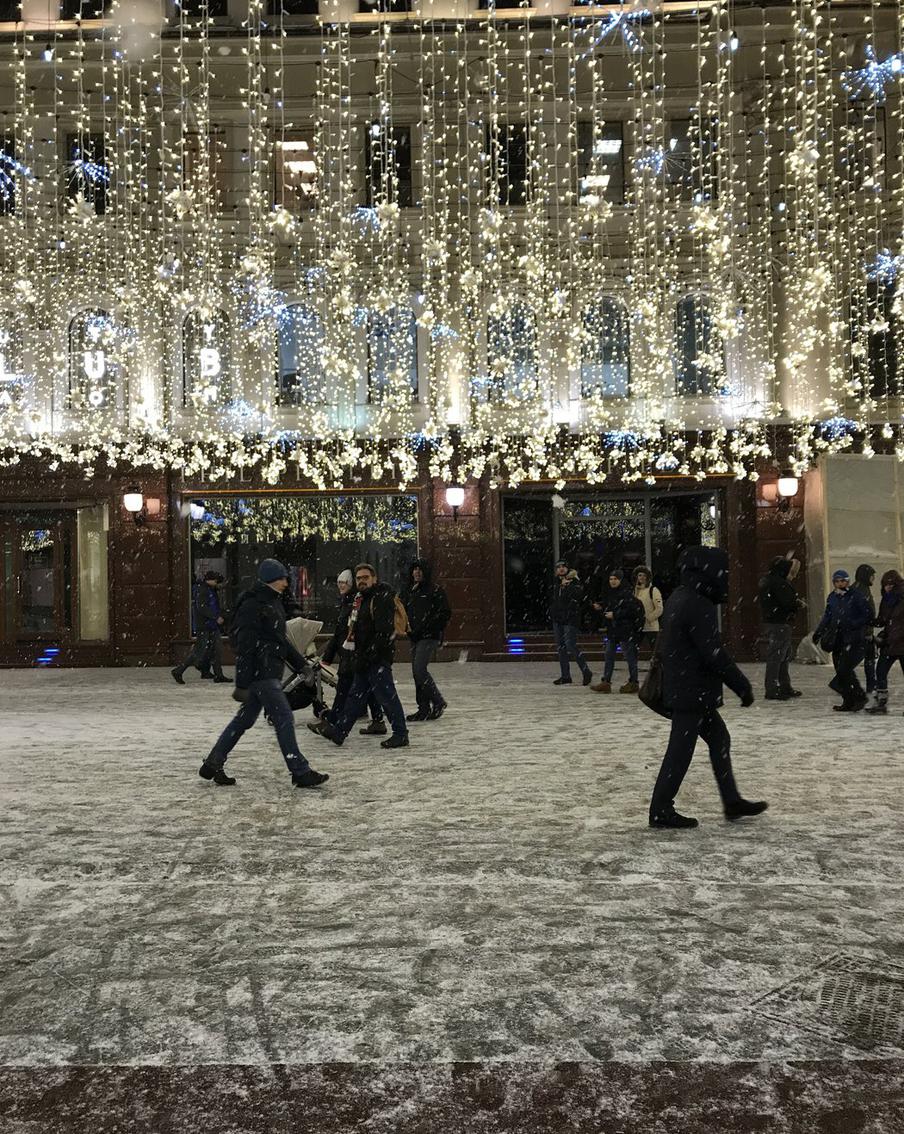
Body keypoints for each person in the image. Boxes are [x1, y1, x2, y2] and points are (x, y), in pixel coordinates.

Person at [648, 546, 766, 830]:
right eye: (722, 572)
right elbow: (713, 652)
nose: (725, 578)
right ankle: (661, 809)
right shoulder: (697, 603)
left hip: (687, 688)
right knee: (680, 750)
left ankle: (731, 800)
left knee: (719, 739)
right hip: (692, 692)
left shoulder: (682, 596)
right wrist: (741, 685)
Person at [198, 558, 329, 789]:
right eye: (281, 579)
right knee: (284, 718)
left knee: (244, 720)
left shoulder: (272, 602)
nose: (285, 583)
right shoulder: (253, 604)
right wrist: (242, 683)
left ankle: (213, 762)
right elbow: (245, 646)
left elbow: (281, 641)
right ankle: (300, 771)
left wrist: (301, 665)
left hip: (268, 669)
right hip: (262, 672)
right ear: (270, 579)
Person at [317, 563, 409, 750]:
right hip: (363, 657)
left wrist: (371, 653)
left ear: (374, 578)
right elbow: (356, 629)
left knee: (387, 697)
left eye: (365, 577)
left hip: (377, 658)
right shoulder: (360, 599)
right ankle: (340, 732)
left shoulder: (381, 598)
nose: (362, 581)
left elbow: (383, 632)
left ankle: (401, 734)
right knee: (354, 697)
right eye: (359, 578)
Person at [311, 569, 386, 736]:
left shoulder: (355, 602)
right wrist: (329, 656)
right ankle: (377, 720)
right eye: (339, 583)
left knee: (349, 689)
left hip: (353, 653)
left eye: (343, 582)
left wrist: (334, 655)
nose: (340, 586)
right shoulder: (348, 601)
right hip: (352, 652)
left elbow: (347, 631)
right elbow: (340, 631)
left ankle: (336, 724)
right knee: (365, 688)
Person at [812, 568, 872, 712]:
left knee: (845, 669)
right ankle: (848, 700)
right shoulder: (832, 597)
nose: (840, 584)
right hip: (837, 639)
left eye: (843, 581)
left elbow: (867, 614)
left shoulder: (856, 595)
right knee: (840, 670)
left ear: (848, 581)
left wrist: (854, 624)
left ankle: (859, 697)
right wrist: (819, 632)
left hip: (853, 638)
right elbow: (827, 616)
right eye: (837, 581)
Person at [403, 558, 452, 720]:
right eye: (414, 569)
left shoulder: (435, 591)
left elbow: (444, 613)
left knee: (419, 669)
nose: (417, 572)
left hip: (428, 636)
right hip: (415, 636)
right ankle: (423, 708)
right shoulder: (409, 590)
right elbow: (401, 610)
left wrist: (428, 628)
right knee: (417, 672)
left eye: (420, 569)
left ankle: (437, 701)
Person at [590, 568, 645, 694]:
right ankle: (606, 681)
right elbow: (614, 606)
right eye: (611, 579)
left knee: (629, 657)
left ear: (620, 580)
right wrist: (602, 607)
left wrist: (615, 614)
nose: (612, 581)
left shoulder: (626, 594)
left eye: (615, 579)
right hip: (614, 630)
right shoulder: (611, 593)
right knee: (609, 655)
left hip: (625, 630)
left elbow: (631, 611)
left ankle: (633, 682)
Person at [758, 556, 804, 701]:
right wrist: (797, 604)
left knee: (781, 656)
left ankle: (783, 686)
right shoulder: (779, 583)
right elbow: (787, 602)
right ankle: (774, 689)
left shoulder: (768, 580)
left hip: (774, 622)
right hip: (780, 623)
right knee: (778, 657)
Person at [172, 570, 230, 685]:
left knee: (216, 650)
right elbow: (202, 608)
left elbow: (208, 606)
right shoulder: (203, 590)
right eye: (215, 581)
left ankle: (217, 674)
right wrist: (216, 617)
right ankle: (179, 670)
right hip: (204, 626)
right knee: (200, 651)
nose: (217, 583)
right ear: (210, 580)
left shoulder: (209, 590)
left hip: (211, 625)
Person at [549, 559, 593, 687]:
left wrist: (567, 587)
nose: (561, 569)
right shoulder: (556, 583)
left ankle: (586, 671)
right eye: (558, 567)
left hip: (570, 619)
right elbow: (554, 599)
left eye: (563, 566)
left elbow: (578, 597)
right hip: (558, 619)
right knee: (561, 648)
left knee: (570, 645)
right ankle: (565, 676)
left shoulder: (574, 582)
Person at [866, 569, 904, 715]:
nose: (887, 587)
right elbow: (883, 619)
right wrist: (871, 621)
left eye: (891, 584)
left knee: (881, 671)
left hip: (900, 643)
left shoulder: (901, 599)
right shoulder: (887, 599)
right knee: (880, 672)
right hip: (889, 644)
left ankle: (881, 704)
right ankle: (881, 703)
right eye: (885, 585)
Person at [853, 563, 878, 701]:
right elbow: (867, 613)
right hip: (862, 633)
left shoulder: (858, 588)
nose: (873, 579)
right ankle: (870, 687)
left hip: (859, 632)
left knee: (866, 660)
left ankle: (870, 687)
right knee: (866, 661)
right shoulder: (862, 591)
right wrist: (868, 631)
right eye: (872, 576)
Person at [633, 566, 663, 654]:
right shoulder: (635, 591)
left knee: (655, 651)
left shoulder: (653, 590)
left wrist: (649, 618)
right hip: (638, 627)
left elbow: (659, 608)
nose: (642, 578)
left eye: (644, 575)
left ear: (648, 577)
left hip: (651, 627)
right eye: (639, 575)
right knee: (633, 651)